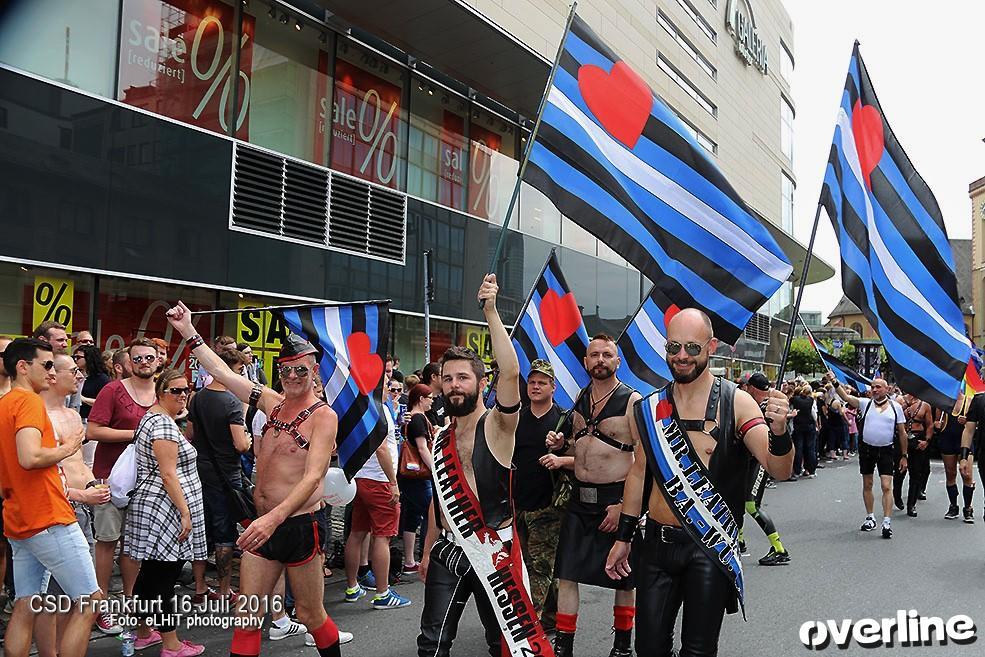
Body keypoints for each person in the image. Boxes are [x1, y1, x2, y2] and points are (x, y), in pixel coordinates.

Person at [605, 309, 794, 657]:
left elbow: (778, 468)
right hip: (657, 546)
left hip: (707, 546)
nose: (682, 356)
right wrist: (624, 538)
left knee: (698, 651)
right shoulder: (649, 408)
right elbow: (639, 472)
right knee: (648, 648)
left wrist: (780, 433)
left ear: (712, 346)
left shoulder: (736, 402)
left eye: (692, 348)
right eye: (674, 347)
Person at [166, 302, 346, 657]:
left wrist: (272, 519)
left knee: (310, 614)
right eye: (286, 371)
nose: (292, 377)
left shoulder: (323, 418)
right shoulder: (270, 402)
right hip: (261, 526)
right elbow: (221, 370)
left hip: (297, 526)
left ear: (314, 373)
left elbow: (313, 479)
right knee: (247, 615)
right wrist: (188, 331)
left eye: (300, 371)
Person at [417, 275, 533, 657]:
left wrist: (490, 311)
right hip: (449, 551)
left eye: (463, 377)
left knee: (504, 645)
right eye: (447, 378)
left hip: (493, 552)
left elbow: (513, 372)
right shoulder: (439, 437)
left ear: (482, 383)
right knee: (431, 645)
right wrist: (428, 548)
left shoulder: (498, 426)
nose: (454, 385)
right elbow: (439, 498)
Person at [0, 338, 100, 657]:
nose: (51, 372)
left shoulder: (4, 403)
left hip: (20, 517)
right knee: (90, 602)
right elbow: (29, 457)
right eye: (46, 365)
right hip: (48, 517)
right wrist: (69, 448)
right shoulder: (28, 402)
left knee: (27, 603)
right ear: (22, 367)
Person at [544, 335, 640, 657]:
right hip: (579, 501)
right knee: (567, 573)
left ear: (618, 361)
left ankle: (622, 647)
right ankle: (564, 646)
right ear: (586, 362)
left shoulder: (631, 401)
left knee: (624, 577)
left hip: (615, 500)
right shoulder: (580, 399)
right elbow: (582, 448)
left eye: (606, 355)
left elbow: (644, 460)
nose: (600, 359)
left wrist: (625, 507)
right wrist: (561, 447)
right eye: (594, 355)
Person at [124, 369, 206, 656]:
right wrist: (186, 513)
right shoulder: (163, 425)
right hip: (164, 509)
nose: (183, 395)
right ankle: (171, 644)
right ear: (161, 393)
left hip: (157, 507)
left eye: (186, 390)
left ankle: (144, 632)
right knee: (163, 579)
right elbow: (168, 474)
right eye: (176, 391)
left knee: (150, 574)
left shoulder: (157, 418)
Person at [36, 352, 111, 655]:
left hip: (82, 512)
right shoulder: (40, 418)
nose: (80, 376)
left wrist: (94, 484)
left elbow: (79, 464)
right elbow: (42, 478)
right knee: (51, 597)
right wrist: (81, 495)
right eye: (74, 371)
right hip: (57, 512)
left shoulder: (70, 414)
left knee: (75, 596)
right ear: (52, 376)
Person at [86, 338, 158, 634]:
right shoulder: (113, 390)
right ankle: (100, 605)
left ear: (158, 361)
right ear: (128, 362)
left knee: (135, 546)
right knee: (107, 542)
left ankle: (132, 602)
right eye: (138, 358)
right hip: (110, 478)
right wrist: (137, 433)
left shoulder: (162, 391)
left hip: (147, 481)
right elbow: (93, 430)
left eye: (149, 358)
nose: (144, 363)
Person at [186, 348, 252, 607]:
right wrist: (246, 436)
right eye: (238, 371)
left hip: (200, 470)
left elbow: (190, 432)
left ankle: (200, 587)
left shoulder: (198, 397)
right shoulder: (232, 402)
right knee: (225, 532)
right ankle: (224, 590)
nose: (240, 375)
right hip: (226, 474)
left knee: (202, 529)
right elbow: (241, 445)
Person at [343, 360, 411, 610]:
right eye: (386, 383)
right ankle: (383, 593)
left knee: (357, 533)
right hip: (380, 480)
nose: (391, 386)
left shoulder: (359, 407)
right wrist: (393, 483)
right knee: (383, 537)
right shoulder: (377, 409)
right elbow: (382, 448)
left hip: (360, 478)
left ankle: (352, 587)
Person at [513, 359, 569, 627]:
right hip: (517, 504)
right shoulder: (516, 418)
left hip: (549, 507)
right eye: (532, 382)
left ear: (553, 387)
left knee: (540, 567)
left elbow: (581, 457)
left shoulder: (563, 419)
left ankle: (529, 624)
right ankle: (552, 617)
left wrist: (561, 452)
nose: (535, 386)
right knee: (526, 564)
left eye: (542, 382)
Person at [830, 373, 907, 539]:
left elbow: (902, 433)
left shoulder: (896, 407)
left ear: (887, 389)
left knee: (887, 486)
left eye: (878, 387)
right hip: (867, 450)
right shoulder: (865, 403)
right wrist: (834, 381)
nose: (874, 389)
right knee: (868, 484)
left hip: (886, 450)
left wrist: (904, 455)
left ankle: (886, 522)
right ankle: (870, 517)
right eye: (873, 387)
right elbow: (845, 396)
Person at [739, 373, 791, 566]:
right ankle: (740, 541)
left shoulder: (767, 406)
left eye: (747, 386)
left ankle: (779, 548)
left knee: (751, 505)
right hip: (744, 460)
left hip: (760, 459)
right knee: (735, 500)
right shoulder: (747, 403)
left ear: (751, 387)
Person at [398, 383, 435, 577]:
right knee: (431, 514)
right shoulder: (418, 418)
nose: (432, 401)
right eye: (429, 398)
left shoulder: (412, 418)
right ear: (421, 399)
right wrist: (435, 469)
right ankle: (427, 557)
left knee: (411, 516)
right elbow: (422, 448)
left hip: (409, 476)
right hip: (419, 475)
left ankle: (410, 561)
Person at [934, 395, 975, 521]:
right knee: (950, 474)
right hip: (947, 439)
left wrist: (967, 420)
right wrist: (938, 424)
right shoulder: (942, 401)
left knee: (967, 474)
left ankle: (968, 508)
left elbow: (977, 422)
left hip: (964, 441)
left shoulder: (969, 401)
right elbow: (937, 422)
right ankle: (953, 506)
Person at [896, 393, 932, 517]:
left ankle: (911, 505)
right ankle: (897, 496)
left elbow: (929, 424)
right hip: (902, 438)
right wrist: (906, 404)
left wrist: (926, 441)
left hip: (918, 439)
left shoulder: (925, 405)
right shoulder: (899, 401)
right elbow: (894, 416)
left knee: (916, 473)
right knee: (899, 471)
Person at [788, 385, 817, 480]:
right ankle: (811, 470)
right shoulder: (811, 400)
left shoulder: (794, 400)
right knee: (810, 449)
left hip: (798, 426)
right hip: (809, 426)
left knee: (798, 449)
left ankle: (797, 471)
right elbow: (814, 415)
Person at [421, 362, 448, 428]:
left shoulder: (441, 398)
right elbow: (434, 428)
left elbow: (447, 422)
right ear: (433, 377)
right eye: (443, 375)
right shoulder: (424, 401)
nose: (446, 379)